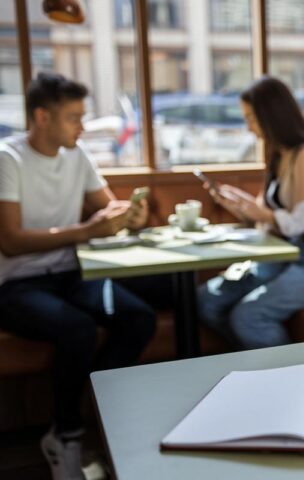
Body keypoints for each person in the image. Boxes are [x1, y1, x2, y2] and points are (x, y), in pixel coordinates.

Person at [0, 72, 156, 480]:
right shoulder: (7, 158)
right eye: (74, 118)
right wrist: (86, 231)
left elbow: (107, 208)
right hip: (16, 283)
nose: (82, 127)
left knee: (139, 317)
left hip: (73, 273)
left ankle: (98, 410)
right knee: (78, 330)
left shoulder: (78, 155)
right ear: (42, 117)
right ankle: (66, 435)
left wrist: (129, 216)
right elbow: (11, 241)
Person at [197, 75, 304, 350]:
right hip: (284, 253)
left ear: (271, 116)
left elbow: (295, 223)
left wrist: (256, 212)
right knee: (205, 299)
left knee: (249, 317)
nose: (249, 128)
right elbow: (265, 214)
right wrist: (238, 205)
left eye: (252, 118)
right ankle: (252, 360)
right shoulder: (277, 155)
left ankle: (288, 375)